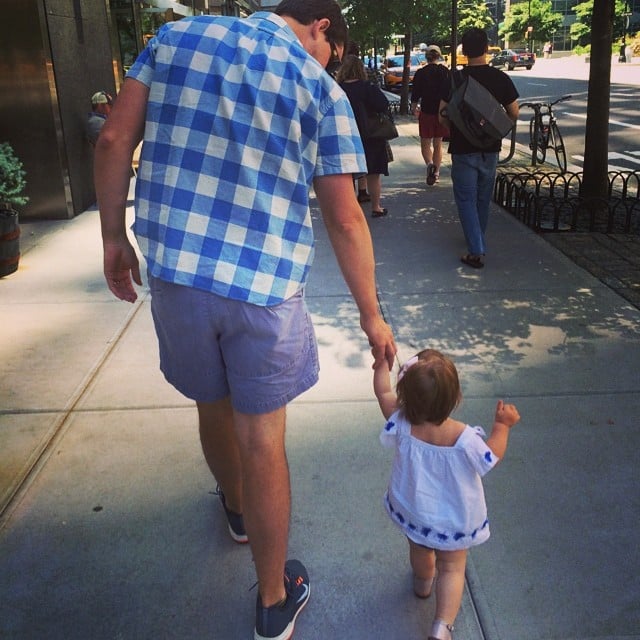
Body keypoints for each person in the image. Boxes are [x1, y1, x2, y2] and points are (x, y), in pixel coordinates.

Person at [93, 1, 397, 638]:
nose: (329, 61)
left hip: (178, 276)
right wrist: (372, 317)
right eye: (331, 49)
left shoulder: (174, 38)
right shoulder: (319, 88)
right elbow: (345, 218)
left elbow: (114, 138)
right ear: (321, 27)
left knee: (210, 404)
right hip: (264, 289)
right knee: (264, 440)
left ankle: (235, 509)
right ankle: (272, 599)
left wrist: (114, 238)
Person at [373, 349, 520, 640]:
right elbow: (491, 457)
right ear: (456, 399)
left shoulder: (401, 420)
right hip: (454, 518)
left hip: (415, 510)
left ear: (406, 396)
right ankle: (442, 627)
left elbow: (382, 392)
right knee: (452, 568)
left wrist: (381, 364)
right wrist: (502, 427)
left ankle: (422, 584)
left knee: (420, 549)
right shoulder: (465, 439)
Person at [439, 28, 519, 269]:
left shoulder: (454, 79)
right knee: (483, 198)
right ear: (486, 48)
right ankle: (477, 238)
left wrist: (461, 128)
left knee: (465, 198)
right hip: (491, 148)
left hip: (463, 148)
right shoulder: (501, 78)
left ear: (463, 50)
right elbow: (513, 112)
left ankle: (476, 250)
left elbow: (443, 114)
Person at [336, 54, 391, 218]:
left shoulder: (337, 89)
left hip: (347, 135)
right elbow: (383, 104)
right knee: (374, 173)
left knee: (348, 174)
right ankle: (376, 206)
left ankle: (350, 209)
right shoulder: (368, 87)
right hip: (371, 135)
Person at [410, 45, 450, 186]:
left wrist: (413, 108)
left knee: (425, 143)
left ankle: (429, 165)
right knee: (438, 144)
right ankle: (437, 172)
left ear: (426, 57)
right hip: (441, 113)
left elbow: (415, 94)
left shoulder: (421, 73)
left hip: (426, 112)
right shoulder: (445, 72)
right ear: (438, 56)